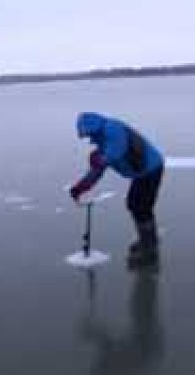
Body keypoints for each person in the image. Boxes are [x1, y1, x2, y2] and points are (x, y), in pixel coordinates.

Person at [69, 112, 165, 266]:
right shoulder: (102, 145)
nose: (87, 138)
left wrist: (102, 159)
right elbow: (96, 173)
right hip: (142, 173)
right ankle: (147, 239)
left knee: (140, 207)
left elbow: (117, 150)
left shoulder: (112, 128)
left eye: (87, 134)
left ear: (92, 127)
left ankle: (149, 248)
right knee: (135, 204)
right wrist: (79, 188)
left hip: (151, 168)